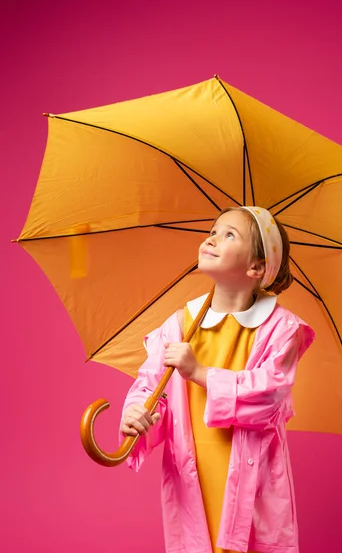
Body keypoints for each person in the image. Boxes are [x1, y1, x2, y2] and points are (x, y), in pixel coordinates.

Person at [120, 206, 315, 553]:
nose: (211, 238)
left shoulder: (281, 329)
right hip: (193, 479)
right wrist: (137, 413)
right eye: (212, 230)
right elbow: (153, 387)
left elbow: (270, 393)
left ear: (256, 267)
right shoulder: (181, 325)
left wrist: (199, 373)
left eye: (229, 234)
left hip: (252, 486)